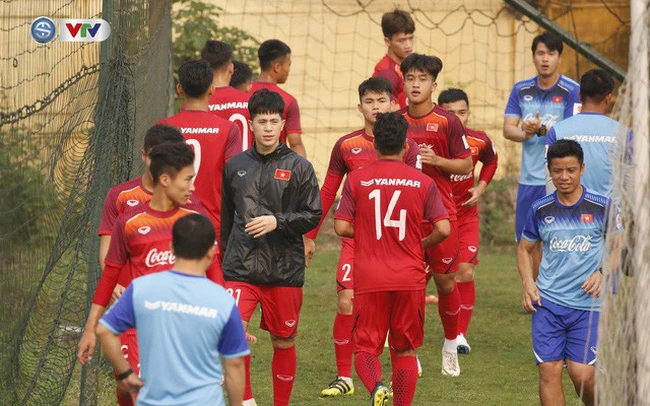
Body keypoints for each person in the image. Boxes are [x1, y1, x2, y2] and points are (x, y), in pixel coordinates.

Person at [78, 141, 224, 406]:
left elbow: (213, 268)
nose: (193, 187)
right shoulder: (130, 223)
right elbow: (110, 274)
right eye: (188, 179)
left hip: (186, 325)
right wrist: (90, 328)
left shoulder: (196, 216)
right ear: (165, 180)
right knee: (137, 389)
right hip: (139, 326)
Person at [303, 77, 421, 397]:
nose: (376, 107)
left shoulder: (406, 146)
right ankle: (345, 378)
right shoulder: (346, 145)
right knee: (345, 301)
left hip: (394, 241)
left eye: (381, 101)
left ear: (394, 104)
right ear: (360, 107)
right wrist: (310, 235)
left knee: (396, 315)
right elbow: (328, 189)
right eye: (369, 102)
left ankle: (396, 378)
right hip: (356, 239)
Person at [334, 112, 450, 406]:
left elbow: (341, 226)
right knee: (405, 350)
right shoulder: (423, 183)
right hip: (409, 275)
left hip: (370, 274)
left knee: (365, 348)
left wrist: (370, 235)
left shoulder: (358, 179)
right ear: (406, 147)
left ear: (375, 145)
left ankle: (376, 387)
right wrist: (421, 242)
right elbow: (444, 229)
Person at [221, 88, 322, 406]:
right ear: (250, 124)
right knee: (232, 338)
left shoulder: (300, 167)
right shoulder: (234, 165)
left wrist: (278, 222)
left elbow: (313, 215)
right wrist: (226, 258)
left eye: (273, 121)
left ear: (282, 125)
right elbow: (226, 218)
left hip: (284, 269)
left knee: (283, 341)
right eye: (261, 121)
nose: (267, 127)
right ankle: (246, 401)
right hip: (240, 268)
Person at [96, 214, 249, 406]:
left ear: (171, 248)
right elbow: (234, 364)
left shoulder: (141, 288)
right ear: (212, 252)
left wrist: (125, 373)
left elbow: (104, 331)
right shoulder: (223, 301)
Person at [518, 139, 621, 406]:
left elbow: (619, 247)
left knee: (583, 375)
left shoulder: (602, 207)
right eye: (558, 170)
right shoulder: (540, 209)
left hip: (588, 307)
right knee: (548, 371)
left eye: (571, 170)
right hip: (548, 304)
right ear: (549, 171)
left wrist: (601, 272)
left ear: (582, 169)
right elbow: (524, 249)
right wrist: (529, 283)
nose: (564, 177)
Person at [401, 53, 473, 376]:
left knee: (445, 283)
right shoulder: (394, 120)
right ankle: (409, 351)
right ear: (403, 82)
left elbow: (467, 164)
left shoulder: (447, 121)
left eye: (422, 79)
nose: (416, 85)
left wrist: (438, 161)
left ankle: (449, 345)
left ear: (433, 84)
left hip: (442, 214)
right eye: (410, 79)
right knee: (409, 285)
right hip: (405, 217)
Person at [503, 32, 581, 243]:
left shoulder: (572, 90)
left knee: (560, 240)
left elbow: (571, 134)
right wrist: (525, 132)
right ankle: (530, 279)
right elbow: (508, 129)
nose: (545, 59)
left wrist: (541, 130)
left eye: (551, 54)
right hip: (528, 179)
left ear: (560, 58)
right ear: (533, 57)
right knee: (525, 241)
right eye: (540, 53)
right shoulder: (521, 89)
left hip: (559, 180)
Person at [98, 125, 192, 296]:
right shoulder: (119, 196)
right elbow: (107, 249)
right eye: (156, 159)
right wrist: (114, 284)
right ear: (143, 155)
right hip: (129, 297)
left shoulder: (188, 201)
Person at [438, 88, 499, 353]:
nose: (457, 118)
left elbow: (491, 160)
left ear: (468, 113)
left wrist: (481, 186)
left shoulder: (479, 140)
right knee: (425, 278)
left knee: (465, 271)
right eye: (450, 113)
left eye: (462, 112)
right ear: (440, 114)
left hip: (465, 217)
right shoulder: (426, 143)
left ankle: (459, 335)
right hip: (433, 220)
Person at [158, 59, 243, 237]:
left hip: (169, 225)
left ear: (179, 89)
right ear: (212, 89)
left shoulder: (162, 128)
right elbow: (235, 180)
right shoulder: (228, 129)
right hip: (213, 226)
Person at [545, 69, 624, 198]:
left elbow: (550, 180)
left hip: (568, 216)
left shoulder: (556, 131)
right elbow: (631, 182)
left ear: (580, 95)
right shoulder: (623, 133)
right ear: (608, 98)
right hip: (610, 215)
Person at [250, 39, 306, 157]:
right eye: (288, 65)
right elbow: (295, 144)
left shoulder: (241, 94)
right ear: (277, 67)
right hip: (275, 169)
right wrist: (302, 173)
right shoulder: (288, 100)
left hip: (241, 169)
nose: (289, 70)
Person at [201, 41, 252, 151]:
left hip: (209, 168)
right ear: (231, 68)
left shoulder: (194, 103)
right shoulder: (251, 101)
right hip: (245, 167)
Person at [373, 9, 415, 110]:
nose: (408, 45)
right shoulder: (385, 71)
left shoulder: (413, 63)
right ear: (388, 41)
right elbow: (391, 113)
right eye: (402, 40)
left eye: (411, 38)